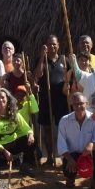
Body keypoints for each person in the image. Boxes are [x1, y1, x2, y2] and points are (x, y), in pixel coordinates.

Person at [57, 93, 95, 189]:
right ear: (72, 105)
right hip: (72, 155)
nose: (78, 106)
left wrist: (92, 145)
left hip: (89, 153)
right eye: (75, 104)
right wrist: (70, 159)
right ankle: (70, 178)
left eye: (81, 103)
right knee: (69, 174)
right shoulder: (64, 120)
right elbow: (61, 144)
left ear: (87, 104)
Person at [34, 35, 71, 167]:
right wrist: (42, 58)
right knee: (48, 130)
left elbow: (71, 77)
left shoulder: (65, 60)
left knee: (64, 129)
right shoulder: (41, 60)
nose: (52, 47)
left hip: (61, 101)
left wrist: (68, 86)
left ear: (58, 45)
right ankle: (50, 157)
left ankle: (65, 158)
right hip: (46, 99)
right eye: (49, 45)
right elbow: (37, 75)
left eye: (54, 44)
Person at [0, 88, 37, 173]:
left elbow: (26, 128)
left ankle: (25, 165)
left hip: (12, 144)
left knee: (33, 140)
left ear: (7, 99)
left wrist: (30, 134)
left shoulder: (14, 113)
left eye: (2, 97)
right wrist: (5, 152)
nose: (0, 100)